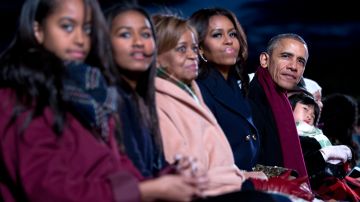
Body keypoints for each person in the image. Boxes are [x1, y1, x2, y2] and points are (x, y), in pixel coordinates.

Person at [0, 1, 203, 201]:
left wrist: (171, 177)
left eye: (87, 29)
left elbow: (117, 169)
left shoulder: (92, 95)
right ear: (38, 30)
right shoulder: (19, 97)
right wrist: (147, 190)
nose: (80, 39)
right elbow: (47, 190)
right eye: (67, 26)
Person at [152, 13, 315, 202]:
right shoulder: (207, 92)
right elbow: (190, 171)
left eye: (233, 34)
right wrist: (260, 180)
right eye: (217, 35)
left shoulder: (232, 91)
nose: (294, 66)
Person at [188, 8, 259, 171]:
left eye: (232, 34)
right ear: (199, 48)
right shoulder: (198, 88)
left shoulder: (237, 84)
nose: (228, 41)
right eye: (217, 35)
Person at [248, 33, 309, 178]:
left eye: (301, 61)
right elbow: (243, 165)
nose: (294, 66)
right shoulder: (250, 101)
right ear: (265, 60)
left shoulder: (281, 101)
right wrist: (288, 176)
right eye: (286, 56)